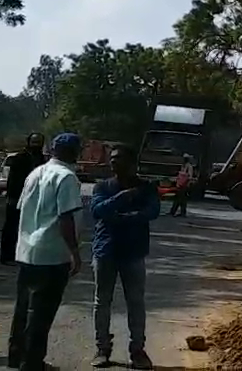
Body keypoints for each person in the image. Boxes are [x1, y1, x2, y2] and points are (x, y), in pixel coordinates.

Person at [8, 132, 84, 371]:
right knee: (42, 312)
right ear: (73, 152)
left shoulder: (36, 173)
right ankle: (32, 362)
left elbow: (22, 208)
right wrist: (74, 251)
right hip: (51, 253)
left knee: (23, 309)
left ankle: (16, 356)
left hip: (27, 250)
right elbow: (65, 217)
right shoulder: (67, 177)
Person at [89, 144, 159, 369]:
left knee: (136, 303)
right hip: (105, 251)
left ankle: (137, 350)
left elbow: (153, 211)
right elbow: (97, 211)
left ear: (132, 163)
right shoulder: (103, 186)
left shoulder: (146, 188)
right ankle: (102, 349)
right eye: (112, 158)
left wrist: (125, 217)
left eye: (119, 158)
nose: (114, 162)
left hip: (134, 253)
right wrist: (122, 198)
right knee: (102, 302)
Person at [1, 134, 47, 266]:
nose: (36, 144)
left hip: (35, 199)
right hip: (16, 197)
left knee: (31, 227)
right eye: (34, 142)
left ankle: (24, 255)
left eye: (38, 142)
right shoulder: (19, 158)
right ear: (29, 142)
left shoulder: (42, 160)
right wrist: (10, 196)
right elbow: (12, 180)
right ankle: (7, 256)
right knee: (11, 227)